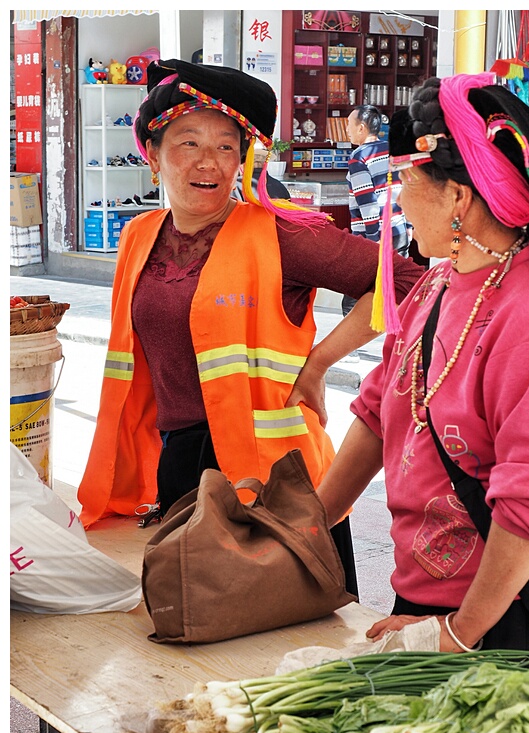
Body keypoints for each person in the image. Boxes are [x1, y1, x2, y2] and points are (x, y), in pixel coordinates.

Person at [76, 59, 425, 597]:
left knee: (296, 638)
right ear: (153, 154)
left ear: (243, 159)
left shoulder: (280, 234)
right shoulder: (139, 237)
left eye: (225, 145)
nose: (208, 161)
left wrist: (320, 362)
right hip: (181, 468)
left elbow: (405, 280)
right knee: (196, 634)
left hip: (277, 478)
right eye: (188, 142)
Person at [317, 73, 529, 650]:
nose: (396, 197)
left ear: (458, 198)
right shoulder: (437, 284)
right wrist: (305, 532)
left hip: (512, 618)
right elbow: (378, 414)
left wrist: (457, 633)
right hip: (427, 603)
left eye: (405, 179)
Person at [341, 105, 412, 364]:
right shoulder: (390, 151)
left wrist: (373, 240)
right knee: (395, 287)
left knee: (353, 289)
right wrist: (409, 227)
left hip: (375, 234)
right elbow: (404, 187)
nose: (347, 129)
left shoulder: (359, 157)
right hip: (399, 229)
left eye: (349, 124)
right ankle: (401, 346)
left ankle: (348, 350)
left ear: (361, 128)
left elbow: (367, 200)